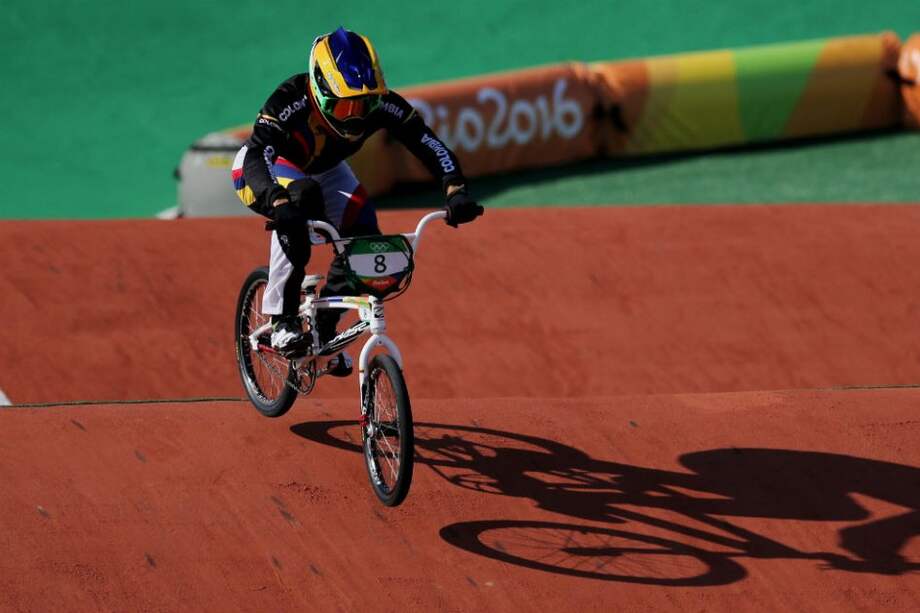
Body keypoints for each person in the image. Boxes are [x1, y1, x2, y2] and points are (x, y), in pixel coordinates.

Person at [231, 27, 483, 375]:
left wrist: (455, 188)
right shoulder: (290, 99)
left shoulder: (378, 104)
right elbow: (258, 153)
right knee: (299, 203)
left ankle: (323, 328)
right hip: (264, 168)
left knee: (365, 236)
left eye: (365, 104)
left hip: (326, 170)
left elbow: (424, 140)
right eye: (347, 104)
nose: (357, 115)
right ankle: (282, 320)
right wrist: (277, 200)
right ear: (320, 89)